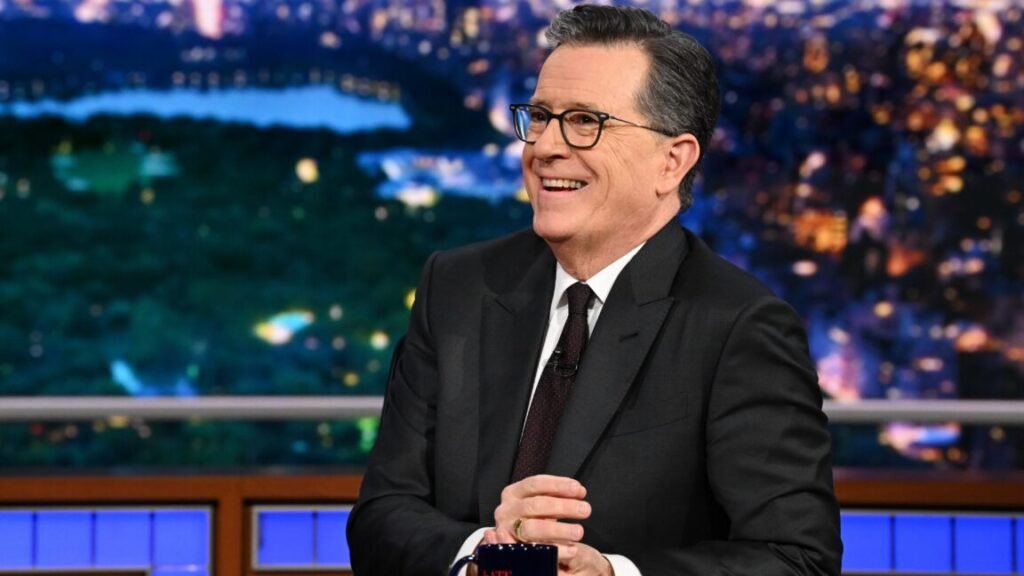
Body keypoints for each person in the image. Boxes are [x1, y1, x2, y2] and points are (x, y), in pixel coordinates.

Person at [347, 5, 842, 576]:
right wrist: (481, 553)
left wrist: (613, 574)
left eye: (585, 121)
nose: (546, 147)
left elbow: (797, 560)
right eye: (540, 116)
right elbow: (380, 518)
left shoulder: (738, 325)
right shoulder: (457, 287)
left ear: (672, 161)